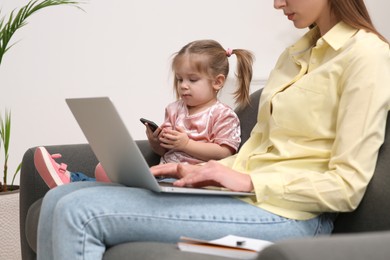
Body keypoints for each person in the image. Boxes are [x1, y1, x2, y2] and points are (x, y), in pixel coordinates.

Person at [37, 0, 390, 259]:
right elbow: (256, 152)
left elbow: (347, 186)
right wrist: (192, 169)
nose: (277, 3)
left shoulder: (367, 56)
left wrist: (252, 181)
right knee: (57, 199)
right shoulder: (294, 55)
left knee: (78, 212)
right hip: (244, 199)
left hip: (290, 213)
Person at [33, 39, 254, 189]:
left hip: (190, 180)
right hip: (162, 173)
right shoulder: (174, 109)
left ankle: (73, 181)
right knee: (110, 172)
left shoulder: (223, 115)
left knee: (117, 181)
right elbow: (163, 151)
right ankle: (74, 181)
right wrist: (156, 141)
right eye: (179, 79)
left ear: (217, 82)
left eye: (192, 80)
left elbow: (225, 154)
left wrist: (186, 144)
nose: (184, 86)